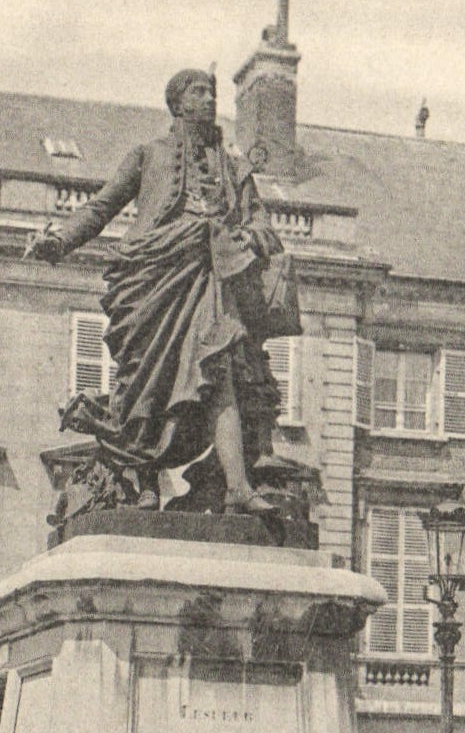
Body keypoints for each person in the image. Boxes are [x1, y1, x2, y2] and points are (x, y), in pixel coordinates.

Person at [27, 69, 298, 514]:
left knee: (218, 373)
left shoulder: (234, 168)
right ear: (176, 104)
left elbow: (263, 225)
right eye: (198, 92)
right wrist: (60, 241)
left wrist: (248, 238)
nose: (209, 99)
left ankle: (238, 487)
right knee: (144, 385)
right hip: (153, 278)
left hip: (211, 278)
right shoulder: (146, 155)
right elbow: (102, 206)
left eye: (212, 92)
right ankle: (143, 484)